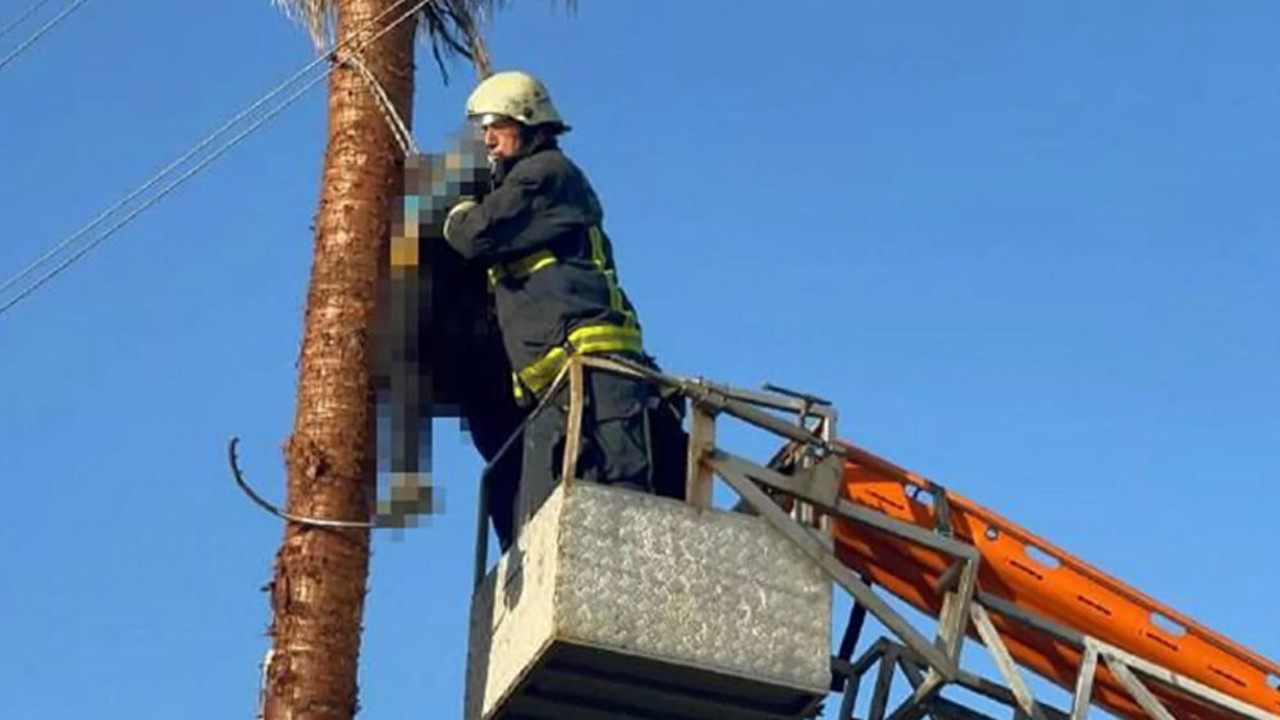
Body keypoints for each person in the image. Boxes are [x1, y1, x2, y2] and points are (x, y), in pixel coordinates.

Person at [441, 71, 685, 539]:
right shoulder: (529, 190)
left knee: (620, 504)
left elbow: (476, 234)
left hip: (599, 376)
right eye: (482, 129)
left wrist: (456, 216)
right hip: (563, 387)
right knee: (548, 516)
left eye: (495, 125)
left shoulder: (547, 173)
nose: (487, 140)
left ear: (527, 121)